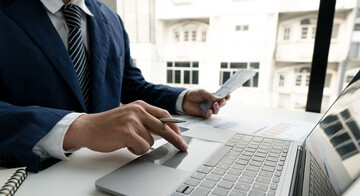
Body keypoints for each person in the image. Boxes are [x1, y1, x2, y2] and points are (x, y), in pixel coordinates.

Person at [0, 0, 229, 172]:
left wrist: (181, 98)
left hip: (110, 167)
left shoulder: (110, 18)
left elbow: (131, 85)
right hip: (31, 174)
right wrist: (80, 127)